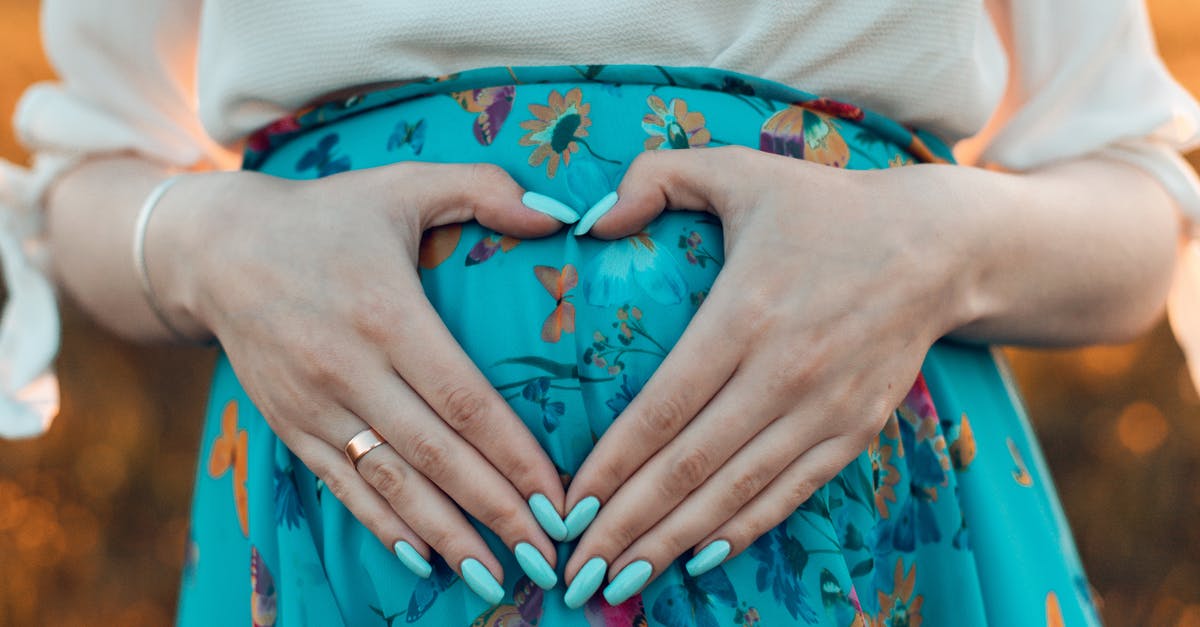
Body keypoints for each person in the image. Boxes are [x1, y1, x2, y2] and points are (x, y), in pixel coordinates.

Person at [2, 0, 1198, 625]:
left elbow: (1133, 204)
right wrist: (219, 244)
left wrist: (941, 245)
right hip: (354, 533)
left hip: (860, 523)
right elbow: (94, 171)